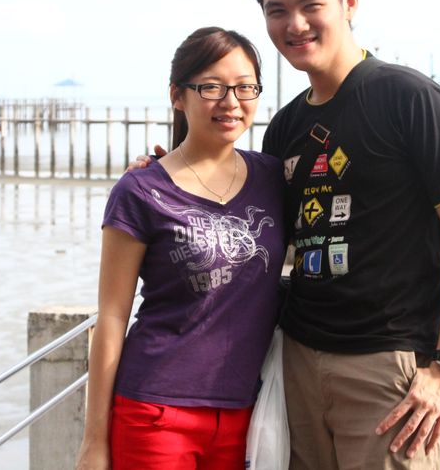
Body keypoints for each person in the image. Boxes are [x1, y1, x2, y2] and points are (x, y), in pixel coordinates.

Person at [253, 0, 440, 469]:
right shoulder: (285, 127)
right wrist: (167, 174)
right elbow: (259, 228)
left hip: (388, 367)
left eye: (310, 5)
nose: (294, 24)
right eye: (276, 10)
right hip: (299, 359)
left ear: (349, 2)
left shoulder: (410, 99)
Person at [75, 27, 286, 470]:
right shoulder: (140, 190)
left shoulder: (273, 178)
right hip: (156, 412)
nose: (231, 101)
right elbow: (112, 316)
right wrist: (94, 441)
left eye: (245, 87)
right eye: (211, 87)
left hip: (246, 412)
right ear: (177, 95)